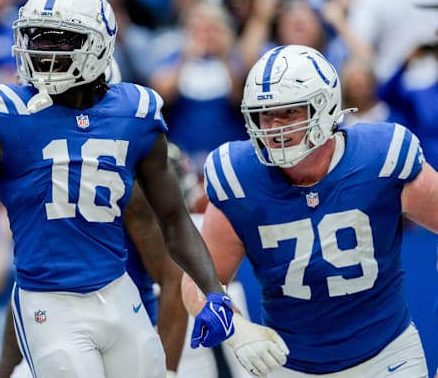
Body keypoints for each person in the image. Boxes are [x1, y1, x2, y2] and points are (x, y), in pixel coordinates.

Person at [0, 0, 234, 378]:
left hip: (118, 294)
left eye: (58, 40)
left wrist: (213, 291)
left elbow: (173, 220)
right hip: (48, 301)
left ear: (97, 47)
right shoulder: (3, 116)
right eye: (35, 38)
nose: (40, 50)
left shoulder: (135, 115)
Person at [182, 44, 433, 377]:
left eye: (289, 112)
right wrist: (235, 327)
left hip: (388, 356)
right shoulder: (240, 177)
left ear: (324, 106)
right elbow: (198, 280)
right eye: (265, 114)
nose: (274, 127)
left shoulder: (380, 158)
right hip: (293, 366)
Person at [0, 182, 188, 378]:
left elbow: (173, 278)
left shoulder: (121, 183)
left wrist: (169, 371)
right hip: (59, 336)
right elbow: (27, 288)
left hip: (127, 338)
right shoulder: (41, 192)